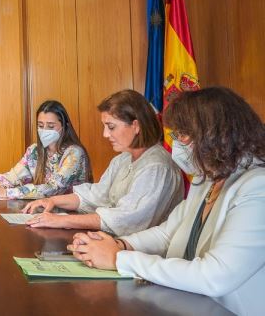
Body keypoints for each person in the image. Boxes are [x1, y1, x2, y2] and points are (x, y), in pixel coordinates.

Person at [67, 87, 265, 316]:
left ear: (216, 135)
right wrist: (120, 244)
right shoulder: (208, 178)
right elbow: (168, 233)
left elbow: (215, 276)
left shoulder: (257, 186)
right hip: (185, 303)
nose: (176, 145)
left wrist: (119, 258)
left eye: (183, 135)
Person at [23, 89, 183, 236]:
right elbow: (97, 195)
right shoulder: (122, 159)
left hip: (142, 257)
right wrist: (52, 200)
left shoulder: (157, 167)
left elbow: (126, 218)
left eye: (111, 127)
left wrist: (60, 220)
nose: (105, 134)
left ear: (136, 126)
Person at [0, 100, 90, 199]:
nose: (44, 130)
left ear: (65, 126)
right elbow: (13, 176)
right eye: (40, 125)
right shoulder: (34, 150)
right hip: (46, 212)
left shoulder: (74, 153)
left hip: (71, 215)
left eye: (50, 126)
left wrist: (6, 192)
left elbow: (53, 188)